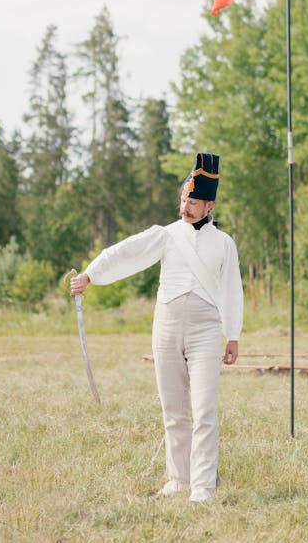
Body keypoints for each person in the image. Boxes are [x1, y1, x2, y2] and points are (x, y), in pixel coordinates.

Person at [70, 152, 244, 504]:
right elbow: (125, 253)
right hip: (166, 325)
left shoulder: (224, 243)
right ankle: (178, 479)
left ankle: (203, 488)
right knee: (173, 409)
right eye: (183, 199)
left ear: (209, 205)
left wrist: (233, 334)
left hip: (206, 329)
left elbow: (231, 289)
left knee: (205, 410)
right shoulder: (166, 235)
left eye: (193, 202)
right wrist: (91, 274)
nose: (185, 207)